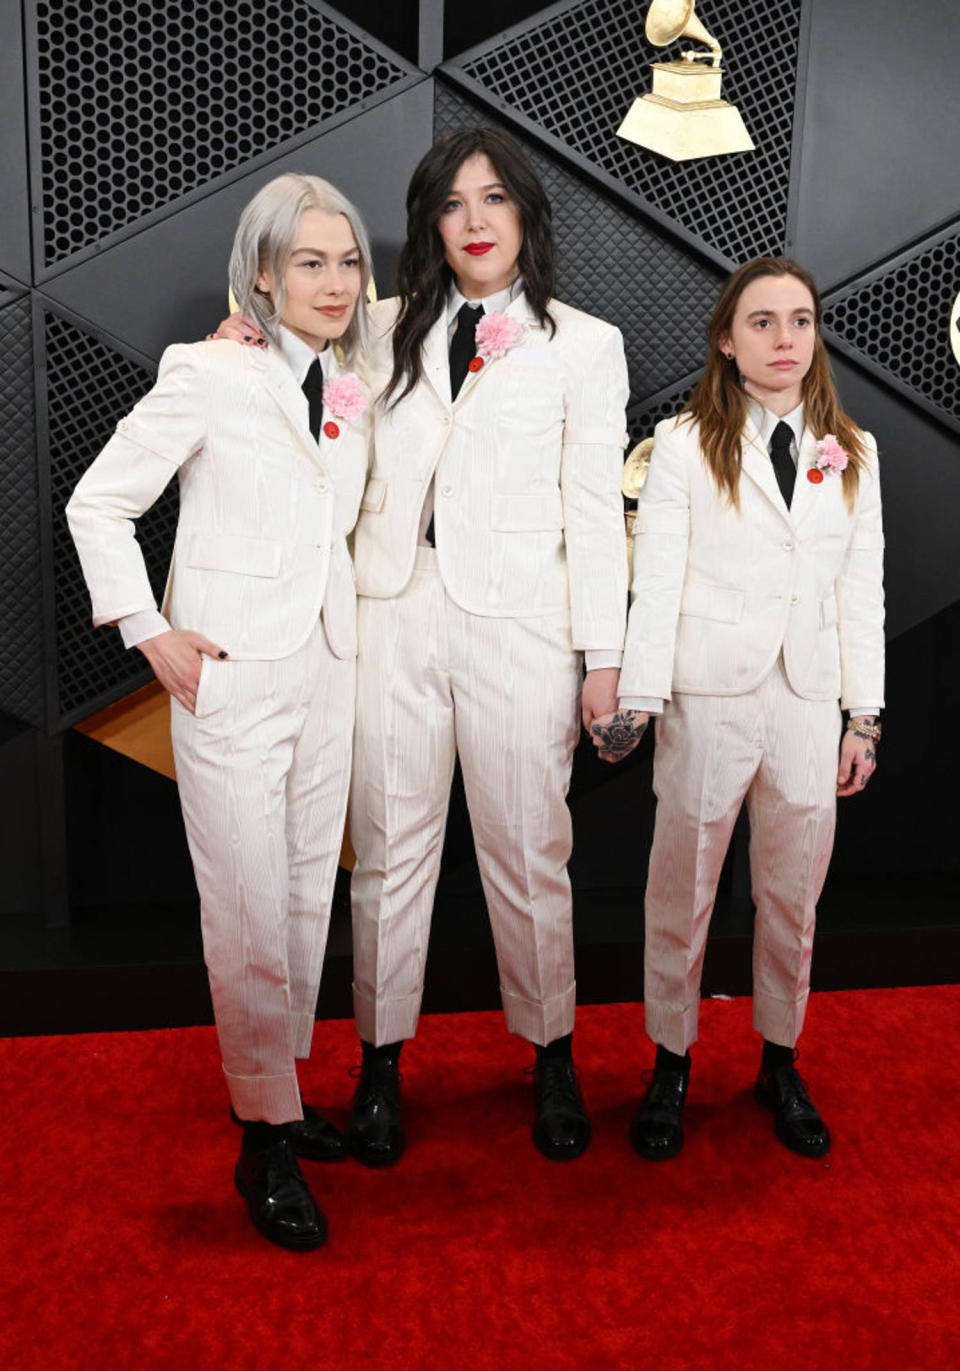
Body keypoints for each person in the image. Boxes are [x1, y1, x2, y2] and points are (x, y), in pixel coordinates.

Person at [222, 129, 631, 1163]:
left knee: (531, 853)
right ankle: (379, 1064)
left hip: (522, 627)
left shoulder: (584, 345)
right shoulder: (373, 329)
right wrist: (245, 340)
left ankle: (551, 1057)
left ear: (526, 215)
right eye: (454, 205)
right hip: (390, 613)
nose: (477, 221)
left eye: (495, 200)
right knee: (392, 852)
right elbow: (290, 378)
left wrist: (606, 660)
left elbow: (593, 513)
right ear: (431, 225)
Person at [66, 173, 374, 1249]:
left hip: (329, 666)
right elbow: (97, 503)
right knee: (244, 910)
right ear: (260, 273)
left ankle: (279, 1091)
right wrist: (151, 632)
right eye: (308, 262)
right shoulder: (202, 373)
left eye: (347, 262)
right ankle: (263, 1144)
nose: (334, 282)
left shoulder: (352, 379)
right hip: (230, 674)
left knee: (299, 901)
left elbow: (400, 323)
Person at [593, 257, 884, 1160]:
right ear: (727, 338)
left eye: (799, 320)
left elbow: (860, 590)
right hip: (707, 696)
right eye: (762, 322)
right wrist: (638, 701)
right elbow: (659, 578)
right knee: (681, 890)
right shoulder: (683, 443)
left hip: (807, 698)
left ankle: (780, 1057)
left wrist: (862, 716)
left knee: (792, 893)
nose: (784, 339)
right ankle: (669, 1062)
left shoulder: (855, 451)